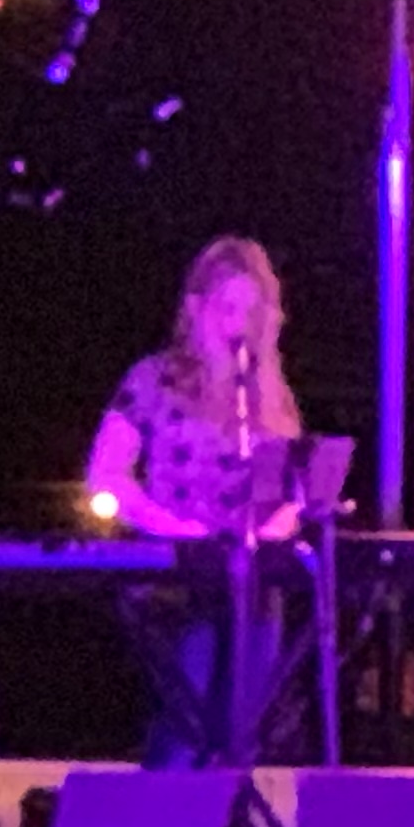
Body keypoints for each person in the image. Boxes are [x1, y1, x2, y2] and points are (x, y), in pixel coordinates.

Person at [82, 234, 308, 768]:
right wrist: (167, 526)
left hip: (254, 585)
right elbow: (106, 474)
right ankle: (166, 820)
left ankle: (229, 819)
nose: (237, 326)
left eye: (251, 313)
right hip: (179, 579)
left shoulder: (270, 396)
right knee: (184, 729)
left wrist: (280, 523)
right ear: (196, 308)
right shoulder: (155, 379)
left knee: (243, 736)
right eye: (227, 309)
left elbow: (290, 490)